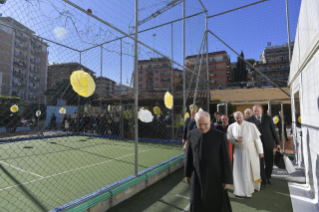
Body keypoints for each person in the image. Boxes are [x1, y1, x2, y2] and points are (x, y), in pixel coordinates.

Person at [185, 111, 233, 212]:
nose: (202, 127)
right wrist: (187, 174)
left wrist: (227, 179)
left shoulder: (219, 135)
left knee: (214, 203)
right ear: (195, 123)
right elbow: (189, 156)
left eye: (205, 124)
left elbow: (225, 158)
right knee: (196, 201)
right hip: (196, 176)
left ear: (210, 121)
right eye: (199, 124)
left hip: (215, 176)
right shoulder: (191, 134)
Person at [227, 112, 264, 197]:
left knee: (251, 171)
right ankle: (240, 190)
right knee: (239, 172)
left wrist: (260, 151)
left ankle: (252, 188)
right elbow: (229, 138)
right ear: (234, 118)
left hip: (250, 152)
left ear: (243, 117)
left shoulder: (251, 125)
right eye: (237, 118)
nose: (239, 120)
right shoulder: (231, 127)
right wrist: (235, 139)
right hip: (238, 152)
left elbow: (257, 140)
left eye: (240, 117)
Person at [247, 104, 280, 190]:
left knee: (269, 162)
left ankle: (268, 176)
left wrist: (278, 143)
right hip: (257, 145)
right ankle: (263, 181)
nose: (256, 112)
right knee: (260, 163)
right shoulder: (249, 120)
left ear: (261, 110)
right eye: (254, 111)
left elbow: (273, 131)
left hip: (268, 143)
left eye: (257, 110)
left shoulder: (268, 118)